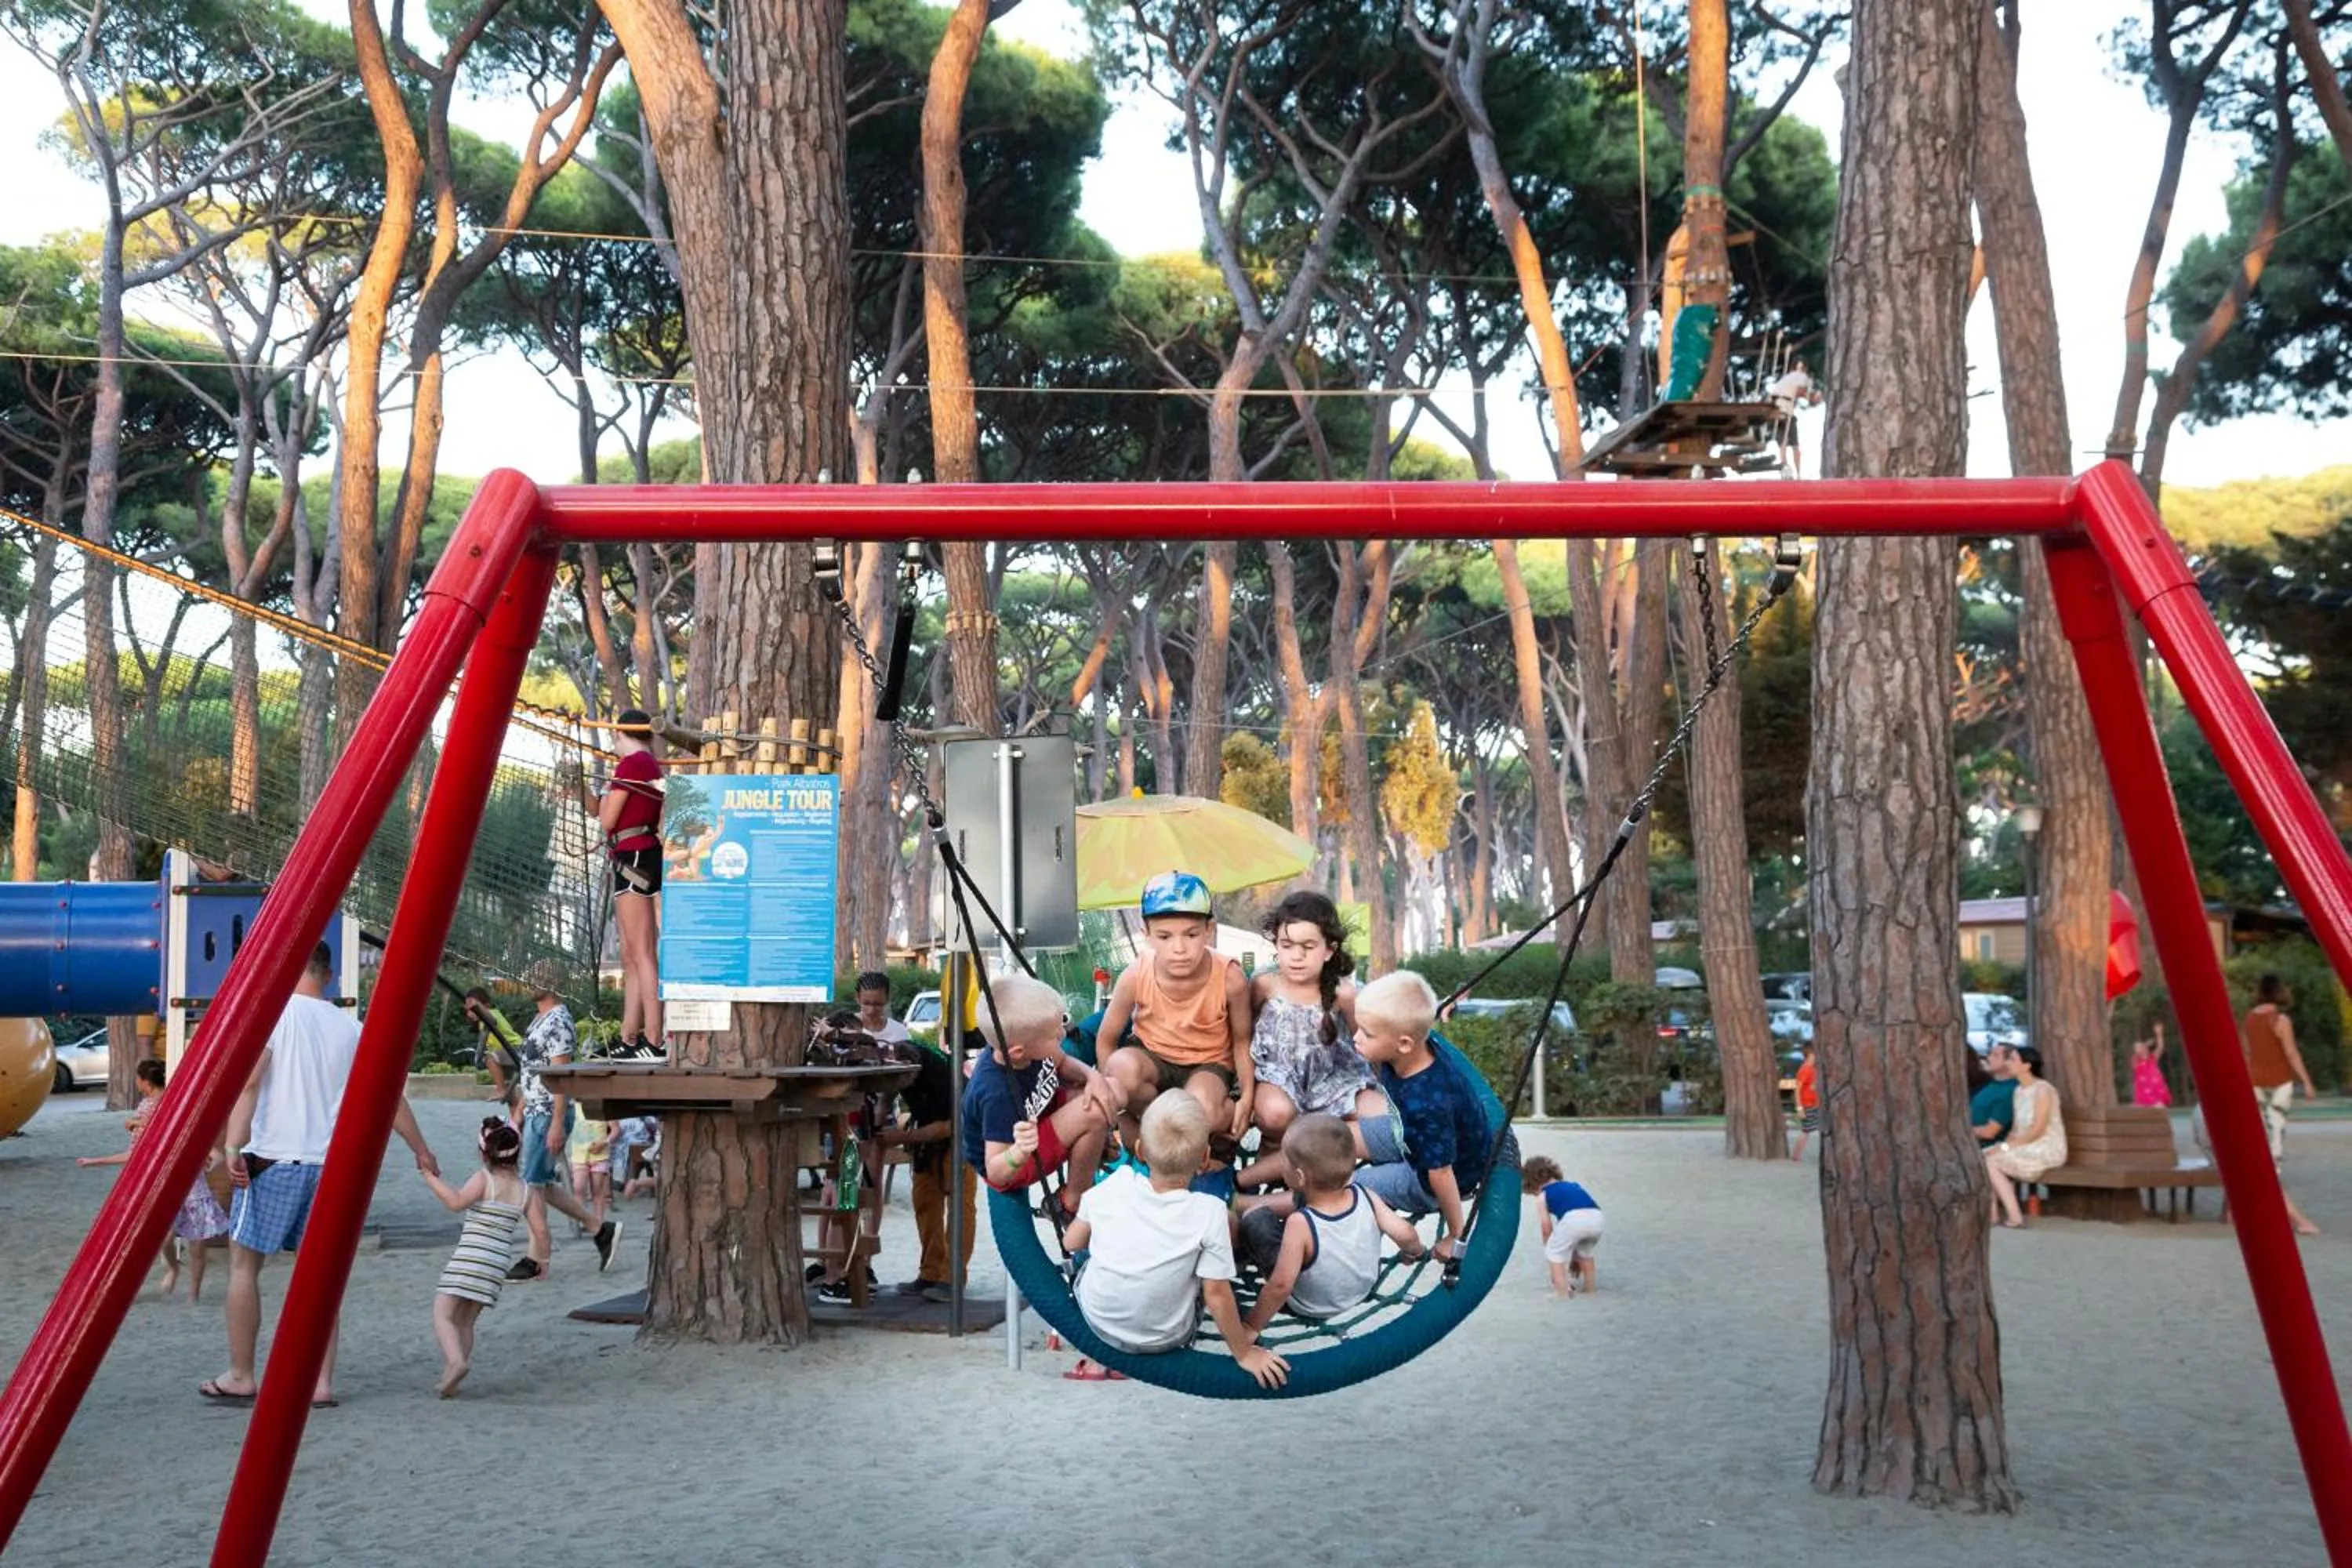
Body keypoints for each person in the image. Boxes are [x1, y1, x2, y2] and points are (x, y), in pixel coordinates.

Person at [201, 942, 440, 1407]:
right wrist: (421, 1148)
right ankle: (321, 1383)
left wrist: (232, 1146)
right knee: (319, 1275)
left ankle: (242, 1373)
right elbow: (388, 1096)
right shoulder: (351, 1027)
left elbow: (250, 1081)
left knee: (244, 1266)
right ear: (328, 975)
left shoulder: (275, 1015)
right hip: (330, 1166)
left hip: (273, 1158)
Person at [1063, 1090, 1287, 1389]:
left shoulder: (1115, 1185)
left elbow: (1071, 1243)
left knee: (1090, 1257)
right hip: (1166, 1337)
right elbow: (1217, 1294)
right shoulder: (1210, 1212)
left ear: (1140, 1151)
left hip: (1097, 1321)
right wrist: (1244, 1353)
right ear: (1205, 1159)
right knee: (1201, 1267)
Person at [1342, 970, 1499, 1261]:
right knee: (1334, 1140)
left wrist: (1456, 1235)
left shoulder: (1427, 1103)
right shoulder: (1413, 1049)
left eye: (1367, 1033)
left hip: (1430, 1175)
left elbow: (1441, 1172)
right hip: (1409, 1134)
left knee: (1340, 1187)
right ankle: (1248, 1183)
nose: (1355, 1037)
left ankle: (1256, 1207)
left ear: (1403, 1044)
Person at [1098, 871, 1254, 1147]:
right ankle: (1156, 1126)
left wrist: (1247, 1098)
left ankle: (1216, 1124)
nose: (1179, 948)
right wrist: (1113, 1098)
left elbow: (1243, 1041)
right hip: (1152, 1058)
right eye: (1165, 936)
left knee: (1202, 1109)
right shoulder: (1136, 974)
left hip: (1208, 1065)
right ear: (1146, 935)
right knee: (1121, 1069)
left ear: (1209, 930)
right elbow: (1106, 1040)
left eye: (1191, 935)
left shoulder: (1230, 978)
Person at [1239, 1111, 1423, 1330]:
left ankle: (1240, 1254)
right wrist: (1414, 1251)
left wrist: (1251, 1327)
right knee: (1305, 1213)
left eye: (1284, 1159)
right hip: (1362, 1287)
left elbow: (1281, 1285)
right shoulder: (1366, 1195)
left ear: (1299, 1177)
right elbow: (1406, 1233)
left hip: (1310, 1304)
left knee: (1254, 1218)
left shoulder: (1300, 1224)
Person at [961, 973, 1121, 1210]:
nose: (1063, 1035)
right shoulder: (997, 1093)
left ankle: (1089, 1145)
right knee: (1095, 1111)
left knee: (1111, 1089)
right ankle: (1070, 1201)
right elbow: (996, 1173)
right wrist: (1019, 1151)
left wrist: (1093, 1077)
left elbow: (1063, 1063)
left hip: (1040, 1113)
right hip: (1016, 1159)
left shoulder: (1027, 1045)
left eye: (1061, 1024)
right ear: (1017, 1052)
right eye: (1053, 1035)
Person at [78, 1058, 229, 1302]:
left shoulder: (175, 1106)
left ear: (145, 1082)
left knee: (196, 1246)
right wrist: (97, 1160)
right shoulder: (156, 1105)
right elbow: (138, 1152)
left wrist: (212, 1161)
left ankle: (194, 1293)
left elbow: (207, 1148)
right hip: (168, 1187)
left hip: (193, 1189)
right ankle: (174, 1270)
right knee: (165, 1238)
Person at [509, 962, 621, 1280]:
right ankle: (599, 1228)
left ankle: (537, 1258)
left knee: (531, 1185)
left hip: (547, 1112)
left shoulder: (558, 1021)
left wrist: (557, 1122)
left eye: (539, 977)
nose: (531, 981)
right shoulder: (540, 1019)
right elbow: (533, 1069)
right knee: (541, 1182)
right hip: (536, 1110)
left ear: (554, 982)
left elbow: (561, 1077)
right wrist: (521, 1106)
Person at [1243, 891, 1377, 1151]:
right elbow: (1243, 1036)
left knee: (1384, 1116)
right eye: (1287, 945)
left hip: (1333, 1081)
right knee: (1275, 1113)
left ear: (1329, 950)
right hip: (1277, 1080)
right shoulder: (1263, 985)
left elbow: (1369, 1046)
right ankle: (1272, 1161)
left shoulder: (1345, 993)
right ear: (1276, 945)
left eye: (1308, 947)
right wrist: (1244, 1091)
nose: (1296, 956)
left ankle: (1326, 1156)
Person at [420, 1117, 528, 1398]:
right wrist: (541, 1261)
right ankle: (451, 1379)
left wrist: (431, 1179)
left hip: (470, 1256)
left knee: (443, 1313)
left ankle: (456, 1363)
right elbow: (540, 1229)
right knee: (466, 1321)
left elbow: (456, 1203)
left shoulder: (484, 1179)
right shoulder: (525, 1190)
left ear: (484, 1153)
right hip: (496, 1264)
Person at [875, 1032, 973, 1303]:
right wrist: (879, 1118)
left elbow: (950, 1127)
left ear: (914, 1072)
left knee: (959, 1207)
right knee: (925, 1201)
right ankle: (930, 1272)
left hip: (961, 1132)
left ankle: (953, 1277)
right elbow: (888, 1094)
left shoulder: (944, 1079)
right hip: (928, 1134)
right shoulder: (897, 1063)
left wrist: (901, 1138)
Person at [600, 708, 666, 1056]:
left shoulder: (632, 764)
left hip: (634, 853)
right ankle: (630, 1035)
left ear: (621, 733)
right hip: (636, 852)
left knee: (641, 952)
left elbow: (608, 817)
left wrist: (604, 796)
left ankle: (653, 1038)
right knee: (630, 953)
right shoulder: (648, 764)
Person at [1983, 1044, 2067, 1229]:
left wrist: (2006, 1148)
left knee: (1992, 1162)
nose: (2008, 1063)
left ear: (2027, 1066)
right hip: (2024, 1145)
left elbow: (2038, 1129)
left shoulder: (2043, 1089)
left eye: (2013, 1059)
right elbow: (2017, 1129)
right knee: (1984, 1155)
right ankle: (1993, 1214)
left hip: (2046, 1146)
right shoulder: (2019, 1091)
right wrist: (2004, 1145)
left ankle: (2015, 1216)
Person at [2245, 975, 2318, 1166]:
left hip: (2255, 1078)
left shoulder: (2249, 1019)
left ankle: (2260, 1164)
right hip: (2280, 1079)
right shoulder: (2280, 1020)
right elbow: (2291, 1053)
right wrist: (2307, 1082)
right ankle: (2274, 1164)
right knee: (2277, 1124)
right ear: (2279, 992)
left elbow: (2247, 1051)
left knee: (2260, 1127)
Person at [1519, 1156, 1604, 1298]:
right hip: (1597, 1217)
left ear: (1532, 1184)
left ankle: (1561, 1291)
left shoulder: (1543, 1195)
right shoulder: (1574, 1186)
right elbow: (1579, 1227)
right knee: (1586, 1253)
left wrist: (1550, 1248)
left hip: (1574, 1220)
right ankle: (1590, 1290)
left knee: (1555, 1253)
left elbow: (1546, 1227)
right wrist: (1575, 1260)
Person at [461, 985, 524, 1109]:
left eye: (475, 1008)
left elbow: (491, 1021)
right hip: (505, 1055)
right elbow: (483, 1040)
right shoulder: (481, 1024)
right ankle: (515, 1123)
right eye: (469, 1009)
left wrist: (479, 1057)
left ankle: (500, 1090)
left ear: (486, 1005)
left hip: (516, 1050)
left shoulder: (492, 1014)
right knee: (510, 1097)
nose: (471, 1012)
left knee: (490, 1057)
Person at [1766, 357, 1820, 475]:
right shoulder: (1803, 377)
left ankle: (1785, 469)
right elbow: (1800, 391)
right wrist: (1812, 397)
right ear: (1805, 368)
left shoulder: (1786, 378)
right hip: (1785, 410)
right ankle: (1798, 472)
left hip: (1774, 410)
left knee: (1783, 444)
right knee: (1795, 444)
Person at [566, 1112, 612, 1236]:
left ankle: (598, 1222)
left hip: (600, 1157)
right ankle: (581, 1220)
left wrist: (605, 1142)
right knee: (579, 1188)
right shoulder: (574, 1107)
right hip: (579, 1156)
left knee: (597, 1191)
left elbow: (616, 1130)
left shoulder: (603, 1108)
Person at [1970, 1044, 2019, 1147]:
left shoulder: (2009, 1091)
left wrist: (1960, 1131)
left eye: (1995, 1055)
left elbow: (1990, 1132)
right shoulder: (1991, 1084)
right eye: (1990, 1054)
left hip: (1985, 1148)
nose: (1989, 1058)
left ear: (2009, 1062)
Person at [853, 971, 912, 1046]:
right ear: (857, 998)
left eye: (878, 1004)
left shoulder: (899, 1032)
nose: (872, 1010)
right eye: (866, 1003)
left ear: (887, 998)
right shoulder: (844, 1030)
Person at [1789, 1042, 1821, 1162]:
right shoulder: (1805, 1070)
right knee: (1806, 1130)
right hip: (1807, 1105)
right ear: (1810, 1054)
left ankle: (1796, 1155)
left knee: (1814, 1129)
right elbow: (1797, 1090)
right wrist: (1799, 1108)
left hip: (1816, 1104)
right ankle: (1796, 1156)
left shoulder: (1814, 1069)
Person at [2132, 1022, 2174, 1109]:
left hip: (2156, 1097)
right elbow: (2138, 1053)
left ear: (2147, 1050)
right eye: (2136, 1048)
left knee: (2160, 1112)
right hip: (2142, 1099)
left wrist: (2159, 1035)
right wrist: (2146, 1044)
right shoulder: (2136, 1061)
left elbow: (2160, 1047)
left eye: (2139, 1047)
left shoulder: (2152, 1059)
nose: (2138, 1049)